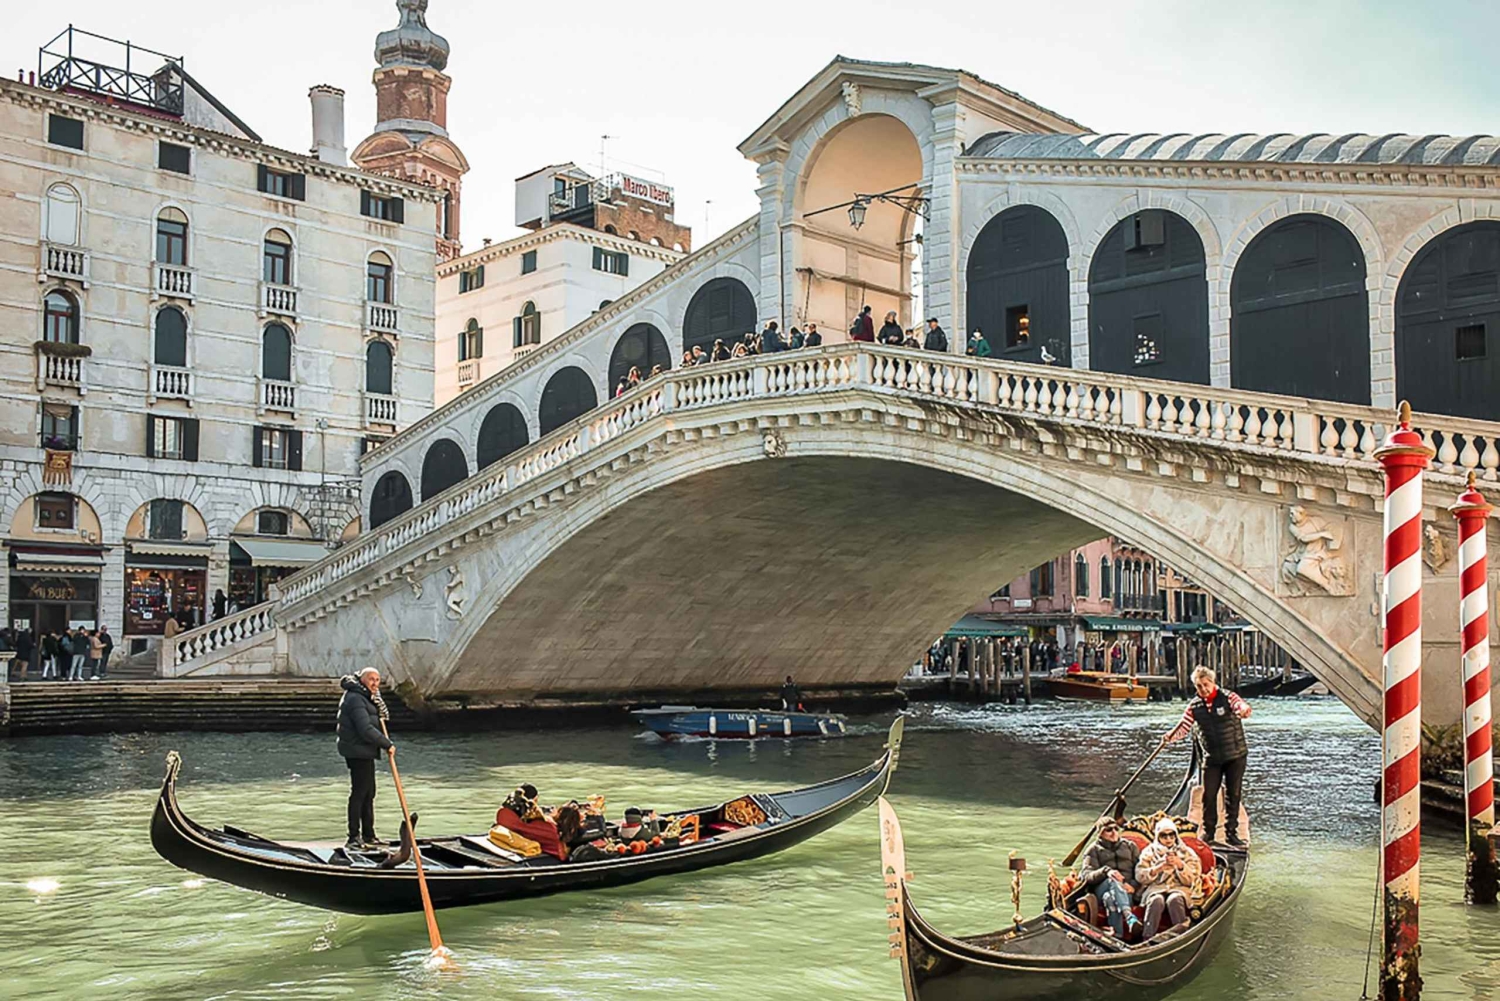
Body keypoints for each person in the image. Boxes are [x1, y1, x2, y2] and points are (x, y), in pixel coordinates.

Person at [1164, 665, 1251, 846]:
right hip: (1212, 758)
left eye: (1205, 684)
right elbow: (1183, 726)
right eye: (1199, 686)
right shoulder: (1194, 706)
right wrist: (1169, 737)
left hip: (1235, 755)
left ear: (1212, 683)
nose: (1203, 689)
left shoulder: (1228, 697)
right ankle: (1208, 834)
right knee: (1208, 795)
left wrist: (1244, 710)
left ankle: (1231, 833)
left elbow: (1239, 706)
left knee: (1233, 795)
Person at [337, 667, 394, 851]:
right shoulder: (355, 698)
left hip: (364, 750)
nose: (375, 683)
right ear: (362, 680)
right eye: (371, 679)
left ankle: (369, 835)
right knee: (360, 793)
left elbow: (376, 719)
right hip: (356, 750)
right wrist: (386, 743)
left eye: (377, 680)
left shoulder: (366, 696)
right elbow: (364, 728)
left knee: (369, 792)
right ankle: (354, 837)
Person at [1134, 818, 1201, 938]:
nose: (1168, 839)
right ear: (1158, 837)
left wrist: (1180, 865)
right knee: (1156, 900)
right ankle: (1147, 936)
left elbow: (1193, 879)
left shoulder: (1186, 852)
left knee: (1174, 899)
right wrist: (1158, 868)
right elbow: (1140, 876)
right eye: (1164, 836)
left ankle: (1181, 936)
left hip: (1179, 888)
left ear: (1176, 836)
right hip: (1155, 888)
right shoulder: (1149, 852)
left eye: (1171, 835)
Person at [1080, 817, 1142, 939]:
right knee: (1113, 878)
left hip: (1126, 890)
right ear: (1100, 833)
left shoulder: (1130, 846)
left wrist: (1133, 886)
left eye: (1115, 829)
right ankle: (1129, 917)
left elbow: (1140, 871)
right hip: (1102, 888)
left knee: (1109, 899)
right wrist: (1105, 871)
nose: (1114, 832)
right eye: (1109, 830)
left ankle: (1118, 936)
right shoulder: (1093, 850)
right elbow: (1086, 876)